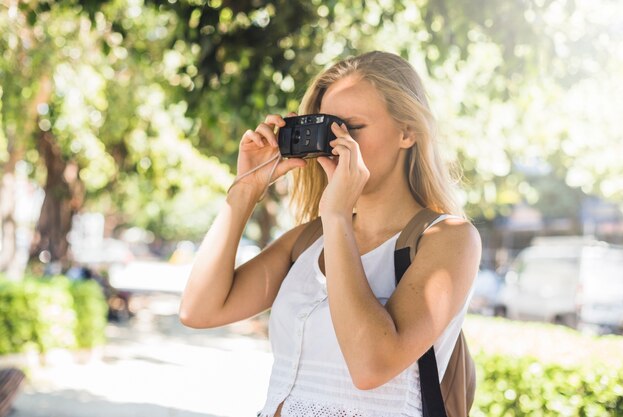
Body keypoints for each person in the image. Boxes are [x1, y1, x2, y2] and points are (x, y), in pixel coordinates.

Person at [179, 51, 481, 417]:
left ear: (407, 132)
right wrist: (245, 190)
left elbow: (371, 367)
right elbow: (199, 310)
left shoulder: (448, 239)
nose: (333, 144)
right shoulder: (308, 240)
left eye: (351, 128)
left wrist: (337, 214)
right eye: (327, 127)